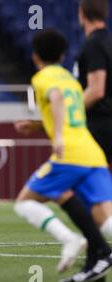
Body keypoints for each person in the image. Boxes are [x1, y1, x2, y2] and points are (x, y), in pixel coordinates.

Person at [14, 29, 112, 282]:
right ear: (63, 55)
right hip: (93, 153)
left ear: (36, 56)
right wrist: (37, 125)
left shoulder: (43, 77)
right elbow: (69, 110)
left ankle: (70, 240)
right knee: (104, 219)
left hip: (69, 154)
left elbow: (55, 98)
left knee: (24, 202)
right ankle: (99, 255)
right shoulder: (71, 78)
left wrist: (56, 136)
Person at [76, 0, 112, 164]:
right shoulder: (108, 41)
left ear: (82, 13)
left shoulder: (94, 44)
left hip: (100, 127)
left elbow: (96, 90)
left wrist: (70, 111)